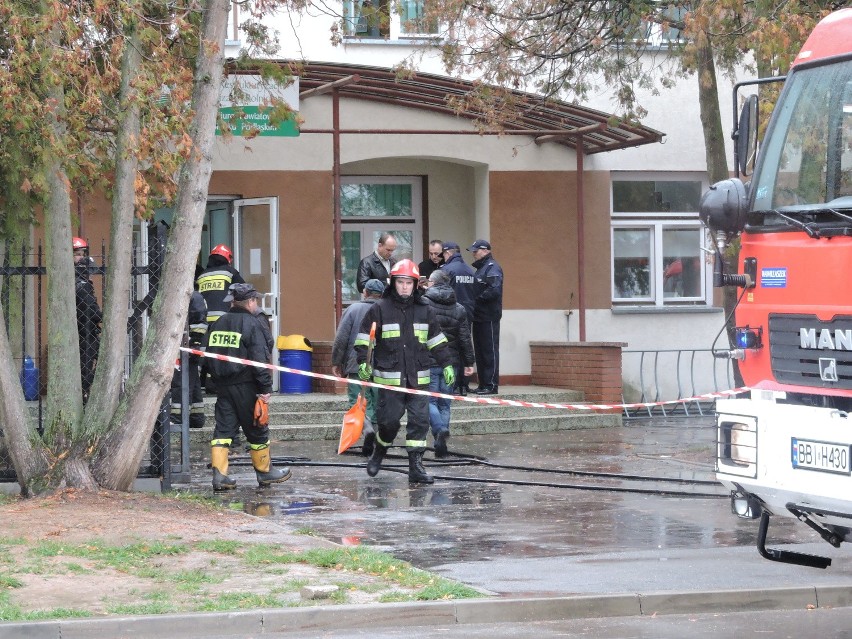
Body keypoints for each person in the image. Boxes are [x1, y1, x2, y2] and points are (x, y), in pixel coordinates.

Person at [354, 259, 454, 484]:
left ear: (416, 284)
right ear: (393, 283)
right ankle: (379, 450)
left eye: (409, 282)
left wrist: (447, 363)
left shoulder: (425, 309)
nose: (405, 287)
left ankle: (416, 467)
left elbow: (437, 341)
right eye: (401, 282)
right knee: (389, 424)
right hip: (390, 381)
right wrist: (363, 362)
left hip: (418, 378)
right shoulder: (380, 309)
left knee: (420, 422)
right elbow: (363, 341)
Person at [205, 282, 290, 491]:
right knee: (257, 429)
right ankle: (265, 472)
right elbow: (259, 359)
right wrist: (265, 389)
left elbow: (207, 357)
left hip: (223, 387)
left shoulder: (218, 323)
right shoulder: (252, 324)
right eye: (256, 300)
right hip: (246, 386)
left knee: (223, 430)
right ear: (250, 301)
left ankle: (220, 476)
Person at [422, 269, 475, 457]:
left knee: (430, 400)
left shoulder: (424, 304)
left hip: (428, 361)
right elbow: (465, 338)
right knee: (445, 403)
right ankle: (442, 438)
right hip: (451, 364)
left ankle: (438, 430)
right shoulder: (459, 308)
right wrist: (470, 362)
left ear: (433, 283)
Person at [331, 278, 385, 456]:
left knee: (358, 401)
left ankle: (366, 427)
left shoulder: (353, 309)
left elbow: (341, 338)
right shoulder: (386, 310)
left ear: (365, 293)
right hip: (381, 367)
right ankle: (376, 440)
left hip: (356, 364)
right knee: (377, 403)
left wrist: (337, 362)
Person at [196, 244, 244, 394]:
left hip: (203, 319)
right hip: (222, 319)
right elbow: (243, 290)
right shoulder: (230, 272)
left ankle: (195, 385)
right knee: (218, 349)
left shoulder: (202, 275)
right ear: (227, 258)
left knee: (202, 351)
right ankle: (213, 383)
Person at [439, 241, 477, 394]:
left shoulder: (446, 270)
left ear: (448, 253)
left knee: (451, 347)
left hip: (450, 313)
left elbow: (442, 292)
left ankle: (453, 384)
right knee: (465, 345)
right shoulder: (470, 270)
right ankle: (464, 384)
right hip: (468, 313)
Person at [467, 239, 503, 395]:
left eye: (476, 251)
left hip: (489, 316)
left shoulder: (492, 267)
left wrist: (476, 300)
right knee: (480, 352)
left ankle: (491, 385)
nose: (474, 254)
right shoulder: (481, 269)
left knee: (489, 351)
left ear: (486, 251)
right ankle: (483, 384)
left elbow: (494, 290)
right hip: (479, 316)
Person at [169, 289, 208, 429]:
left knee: (181, 382)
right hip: (191, 347)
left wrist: (195, 343)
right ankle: (196, 418)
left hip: (189, 347)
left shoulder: (193, 297)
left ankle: (178, 418)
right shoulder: (194, 297)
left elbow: (199, 323)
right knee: (193, 381)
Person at [73, 237, 102, 402]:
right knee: (84, 369)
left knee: (97, 363)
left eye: (82, 254)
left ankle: (86, 394)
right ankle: (83, 397)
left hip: (88, 330)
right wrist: (100, 316)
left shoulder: (83, 281)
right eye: (77, 254)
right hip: (83, 332)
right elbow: (90, 308)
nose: (81, 258)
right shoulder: (79, 283)